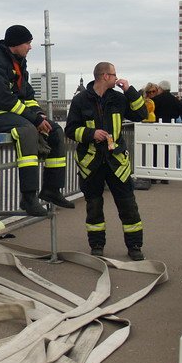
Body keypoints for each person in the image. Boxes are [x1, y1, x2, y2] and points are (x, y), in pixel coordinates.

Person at [0, 25, 72, 216]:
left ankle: (52, 189)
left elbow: (27, 95)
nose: (30, 47)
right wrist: (33, 120)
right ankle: (28, 198)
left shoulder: (18, 61)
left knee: (55, 130)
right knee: (27, 131)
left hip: (10, 111)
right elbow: (2, 99)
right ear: (16, 44)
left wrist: (39, 115)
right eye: (28, 43)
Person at [65, 61, 148, 260]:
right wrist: (91, 133)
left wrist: (129, 90)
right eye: (114, 74)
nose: (116, 77)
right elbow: (70, 130)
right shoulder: (81, 100)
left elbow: (140, 114)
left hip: (116, 162)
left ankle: (134, 246)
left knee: (128, 205)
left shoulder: (119, 98)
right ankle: (97, 246)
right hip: (91, 163)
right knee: (94, 207)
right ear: (104, 76)